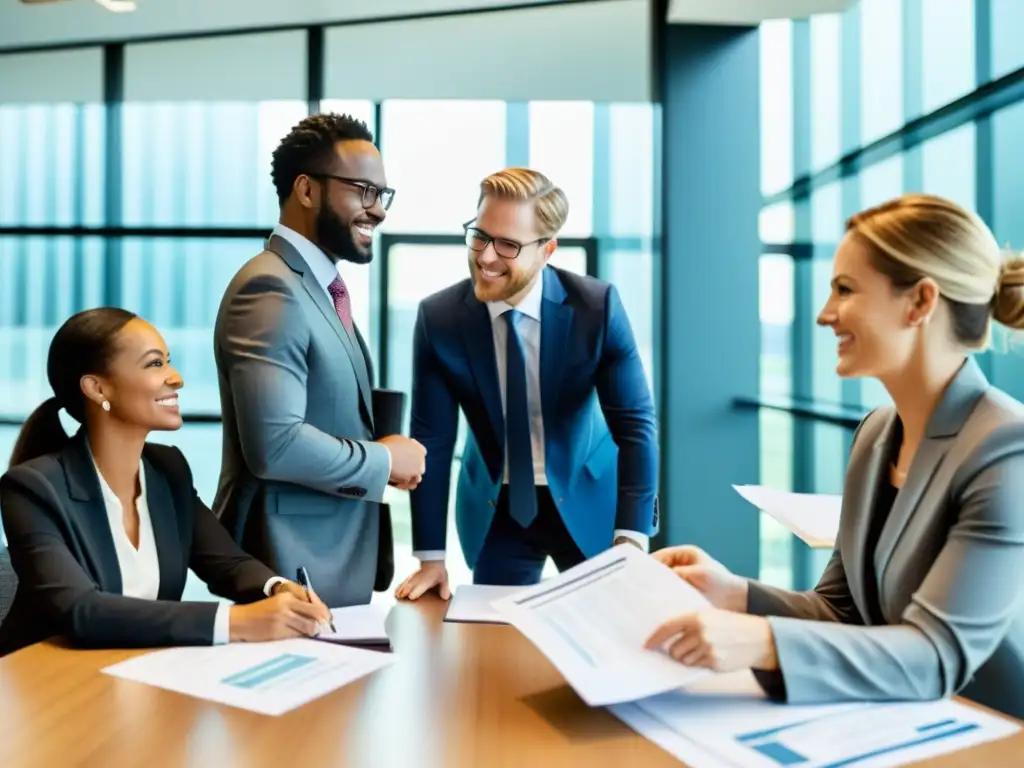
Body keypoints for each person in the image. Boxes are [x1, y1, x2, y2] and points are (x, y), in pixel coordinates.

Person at [645, 193, 1024, 719]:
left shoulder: (1007, 449)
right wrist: (735, 595)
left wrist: (761, 640)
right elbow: (841, 609)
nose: (825, 315)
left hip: (992, 729)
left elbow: (936, 656)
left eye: (845, 289)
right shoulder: (875, 434)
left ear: (920, 302)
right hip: (895, 718)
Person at [0, 308, 331, 657]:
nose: (176, 378)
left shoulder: (167, 469)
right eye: (155, 364)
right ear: (97, 388)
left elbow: (227, 563)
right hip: (46, 683)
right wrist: (237, 622)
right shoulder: (31, 489)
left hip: (137, 674)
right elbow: (81, 611)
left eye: (168, 362)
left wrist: (277, 589)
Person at [396, 168, 659, 597]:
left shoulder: (597, 308)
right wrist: (430, 556)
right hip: (497, 506)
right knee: (492, 639)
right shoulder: (439, 318)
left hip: (587, 495)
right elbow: (432, 440)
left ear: (547, 250)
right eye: (480, 236)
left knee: (605, 627)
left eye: (508, 245)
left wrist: (631, 535)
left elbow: (635, 426)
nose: (485, 257)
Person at [212, 113, 426, 608]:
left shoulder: (319, 287)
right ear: (306, 190)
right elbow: (276, 444)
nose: (378, 211)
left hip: (328, 558)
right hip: (291, 563)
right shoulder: (269, 287)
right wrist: (384, 459)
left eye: (382, 195)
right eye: (363, 191)